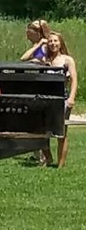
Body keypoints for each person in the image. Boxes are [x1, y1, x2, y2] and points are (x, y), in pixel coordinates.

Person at [40, 32, 77, 168]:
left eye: (55, 41)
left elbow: (74, 80)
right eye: (50, 41)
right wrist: (39, 44)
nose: (53, 44)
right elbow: (25, 58)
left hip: (62, 98)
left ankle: (60, 165)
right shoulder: (45, 60)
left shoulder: (67, 60)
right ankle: (48, 158)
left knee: (61, 132)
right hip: (46, 99)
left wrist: (72, 98)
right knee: (42, 131)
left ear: (60, 43)